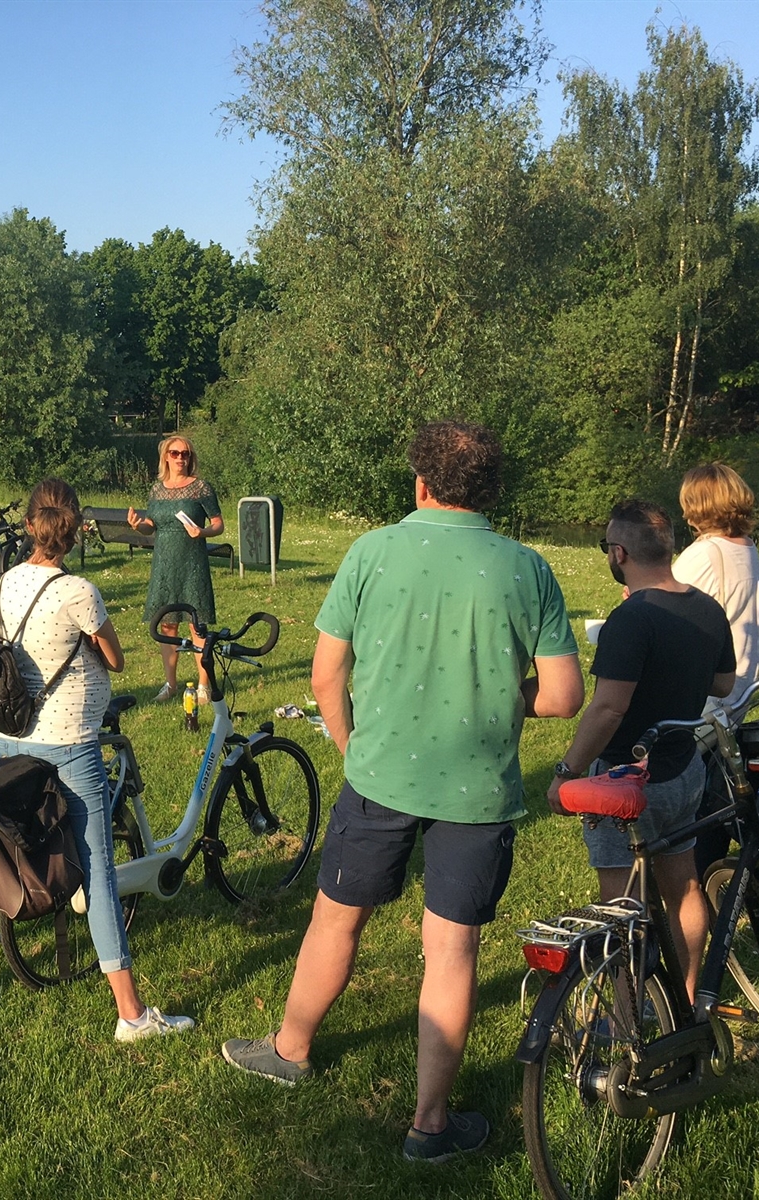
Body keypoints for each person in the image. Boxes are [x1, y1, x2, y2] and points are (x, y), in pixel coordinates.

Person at [220, 420, 583, 1163]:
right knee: (450, 952)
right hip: (478, 786)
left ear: (420, 483)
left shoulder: (372, 551)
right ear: (491, 489)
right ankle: (428, 1124)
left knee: (335, 921)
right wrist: (505, 694)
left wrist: (355, 749)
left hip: (379, 775)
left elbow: (326, 676)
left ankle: (289, 1050)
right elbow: (565, 696)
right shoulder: (527, 568)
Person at [0, 478, 194, 1043]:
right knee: (98, 870)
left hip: (13, 733)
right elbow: (114, 656)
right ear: (76, 527)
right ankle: (131, 1013)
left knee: (1, 833)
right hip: (70, 741)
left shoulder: (9, 579)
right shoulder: (79, 592)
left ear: (31, 523)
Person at [547, 500, 735, 1002]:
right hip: (684, 768)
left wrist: (567, 772)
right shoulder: (705, 607)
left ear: (620, 552)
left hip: (625, 779)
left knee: (620, 904)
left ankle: (628, 1019)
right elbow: (723, 680)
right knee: (683, 886)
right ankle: (691, 998)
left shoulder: (632, 618)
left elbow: (609, 708)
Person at [126, 434, 223, 703]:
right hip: (164, 562)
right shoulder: (157, 490)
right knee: (167, 624)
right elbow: (151, 526)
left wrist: (203, 531)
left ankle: (204, 684)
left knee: (196, 624)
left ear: (191, 458)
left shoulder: (201, 488)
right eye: (175, 453)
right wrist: (137, 524)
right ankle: (170, 684)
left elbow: (219, 524)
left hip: (192, 561)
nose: (180, 458)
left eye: (185, 454)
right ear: (165, 456)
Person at [673, 463, 759, 711]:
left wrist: (639, 597)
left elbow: (665, 613)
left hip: (709, 689)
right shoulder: (746, 547)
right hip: (741, 679)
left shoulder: (705, 553)